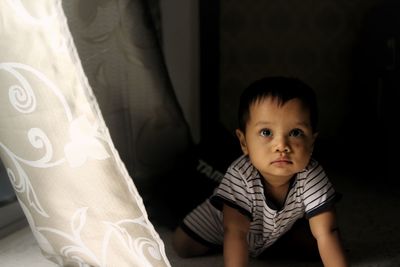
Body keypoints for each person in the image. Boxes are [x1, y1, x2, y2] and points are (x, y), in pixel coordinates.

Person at [172, 76, 348, 266]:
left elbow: (327, 231)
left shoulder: (312, 175)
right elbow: (235, 233)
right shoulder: (240, 175)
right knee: (182, 245)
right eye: (266, 132)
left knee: (320, 241)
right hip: (223, 223)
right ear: (244, 142)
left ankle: (271, 243)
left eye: (295, 132)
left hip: (276, 228)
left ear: (311, 142)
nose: (281, 146)